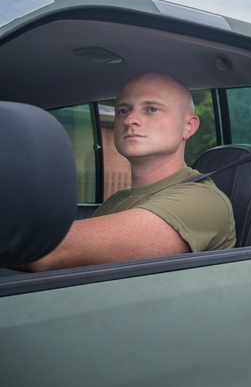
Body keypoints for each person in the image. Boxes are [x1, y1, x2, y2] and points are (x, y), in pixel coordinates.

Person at [22, 72, 236, 271]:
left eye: (152, 109)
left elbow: (50, 251)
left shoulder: (201, 201)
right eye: (123, 110)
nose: (129, 120)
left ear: (188, 126)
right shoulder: (119, 198)